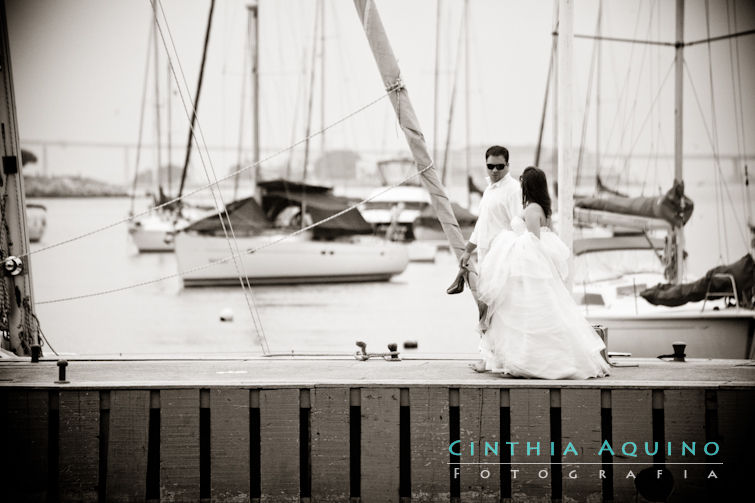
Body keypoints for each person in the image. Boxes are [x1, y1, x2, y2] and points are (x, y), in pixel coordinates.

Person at [476, 166, 610, 379]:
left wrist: (508, 242)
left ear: (527, 186)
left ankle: (528, 361)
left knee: (525, 313)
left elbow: (533, 240)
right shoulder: (543, 208)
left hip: (527, 266)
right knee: (542, 311)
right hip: (534, 267)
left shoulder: (530, 210)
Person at [447, 146, 522, 295]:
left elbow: (520, 228)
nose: (495, 170)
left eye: (500, 166)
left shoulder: (514, 190)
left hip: (503, 261)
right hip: (485, 258)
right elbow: (481, 224)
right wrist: (468, 250)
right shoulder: (489, 189)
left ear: (508, 166)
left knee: (499, 307)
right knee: (487, 304)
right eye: (490, 166)